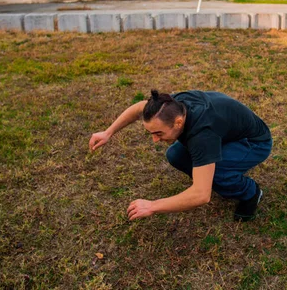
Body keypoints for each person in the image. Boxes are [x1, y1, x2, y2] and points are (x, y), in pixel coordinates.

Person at [89, 90, 272, 222]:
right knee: (176, 154)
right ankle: (211, 174)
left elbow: (201, 196)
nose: (154, 140)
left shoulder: (203, 134)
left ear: (178, 122)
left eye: (158, 133)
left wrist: (152, 206)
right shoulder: (169, 105)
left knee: (217, 174)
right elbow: (139, 108)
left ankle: (250, 192)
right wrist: (108, 132)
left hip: (254, 143)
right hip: (226, 134)